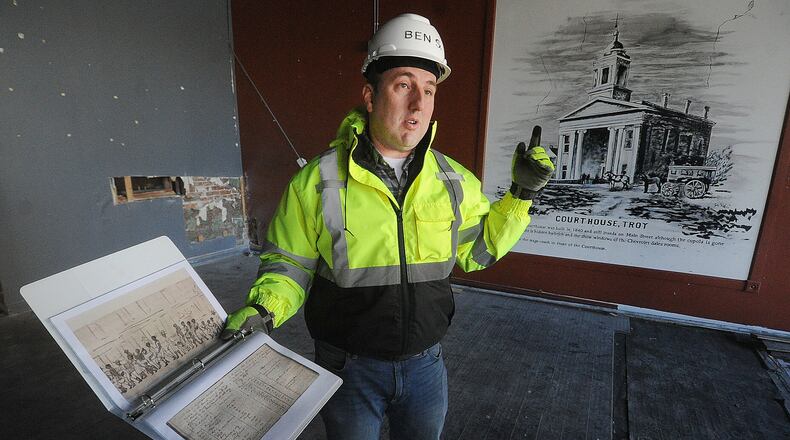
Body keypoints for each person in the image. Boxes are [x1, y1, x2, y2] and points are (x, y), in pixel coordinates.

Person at [221, 13, 554, 440]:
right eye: (403, 85)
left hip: (426, 367)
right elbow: (289, 266)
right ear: (371, 96)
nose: (418, 104)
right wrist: (264, 310)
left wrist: (521, 196)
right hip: (347, 370)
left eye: (429, 90)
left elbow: (479, 251)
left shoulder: (454, 181)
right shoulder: (317, 183)